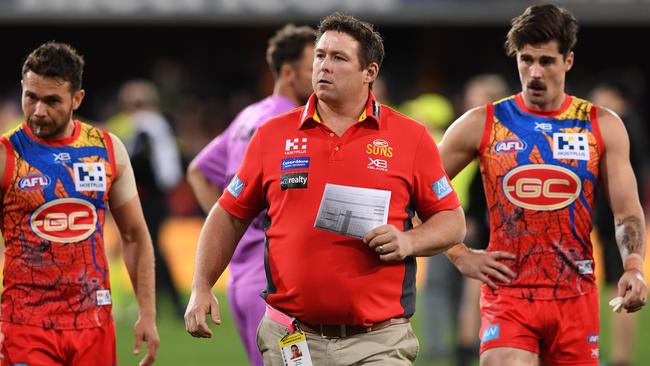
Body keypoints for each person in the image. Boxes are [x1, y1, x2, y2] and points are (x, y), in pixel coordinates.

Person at [185, 12, 466, 365]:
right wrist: (201, 285)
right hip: (291, 336)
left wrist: (409, 241)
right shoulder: (272, 135)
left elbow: (452, 221)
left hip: (379, 339)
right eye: (319, 56)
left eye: (338, 58)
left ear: (370, 73)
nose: (324, 66)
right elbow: (228, 214)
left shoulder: (410, 138)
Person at [440, 4, 647, 365]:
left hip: (576, 298)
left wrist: (633, 266)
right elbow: (416, 190)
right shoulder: (481, 123)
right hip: (509, 296)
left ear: (568, 60)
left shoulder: (601, 124)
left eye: (546, 61)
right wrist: (460, 255)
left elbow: (627, 211)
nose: (534, 72)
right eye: (526, 59)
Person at [0, 42, 159, 365]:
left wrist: (147, 313)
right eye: (31, 97)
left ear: (77, 99)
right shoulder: (6, 154)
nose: (38, 110)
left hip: (94, 324)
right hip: (25, 327)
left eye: (52, 100)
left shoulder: (106, 149)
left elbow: (134, 235)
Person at [186, 24, 317, 366]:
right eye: (313, 65)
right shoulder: (289, 123)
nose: (321, 74)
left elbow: (198, 171)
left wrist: (231, 226)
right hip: (277, 280)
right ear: (288, 72)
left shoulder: (249, 116)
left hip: (242, 278)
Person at [106, 79, 185, 319]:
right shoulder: (161, 125)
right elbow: (170, 168)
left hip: (146, 196)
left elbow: (132, 162)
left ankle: (165, 303)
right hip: (157, 195)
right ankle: (166, 303)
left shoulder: (143, 127)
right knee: (151, 248)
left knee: (148, 249)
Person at [590, 79, 650, 366]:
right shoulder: (631, 126)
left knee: (621, 287)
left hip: (619, 223)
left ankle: (621, 358)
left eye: (602, 92)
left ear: (616, 95)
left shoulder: (620, 127)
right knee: (613, 286)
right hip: (614, 221)